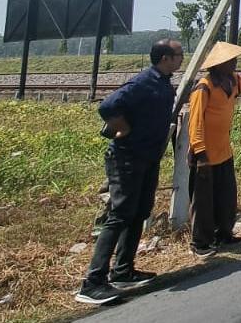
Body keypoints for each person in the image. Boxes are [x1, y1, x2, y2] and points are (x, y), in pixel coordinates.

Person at [75, 39, 184, 306]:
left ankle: (123, 271)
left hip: (147, 158)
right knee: (120, 214)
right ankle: (92, 283)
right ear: (165, 58)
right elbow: (108, 106)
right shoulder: (143, 82)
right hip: (127, 158)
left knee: (139, 212)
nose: (182, 59)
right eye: (179, 54)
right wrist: (122, 128)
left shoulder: (162, 81)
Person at [187, 41, 241, 257]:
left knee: (226, 196)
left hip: (224, 152)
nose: (235, 63)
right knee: (203, 201)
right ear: (220, 64)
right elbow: (195, 124)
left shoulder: (232, 82)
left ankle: (224, 234)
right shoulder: (203, 88)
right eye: (231, 60)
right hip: (205, 155)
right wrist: (200, 153)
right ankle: (200, 243)